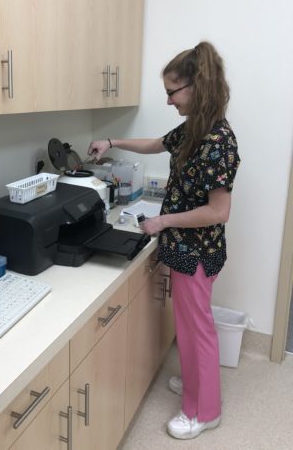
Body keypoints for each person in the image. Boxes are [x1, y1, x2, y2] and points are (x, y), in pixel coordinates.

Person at [88, 41, 240, 440]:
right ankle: (194, 384)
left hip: (198, 251)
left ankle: (204, 410)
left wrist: (163, 221)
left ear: (197, 86)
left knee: (197, 329)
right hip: (186, 249)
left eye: (173, 91)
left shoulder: (217, 140)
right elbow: (157, 144)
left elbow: (218, 211)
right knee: (188, 327)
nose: (169, 100)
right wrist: (113, 142)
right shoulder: (194, 128)